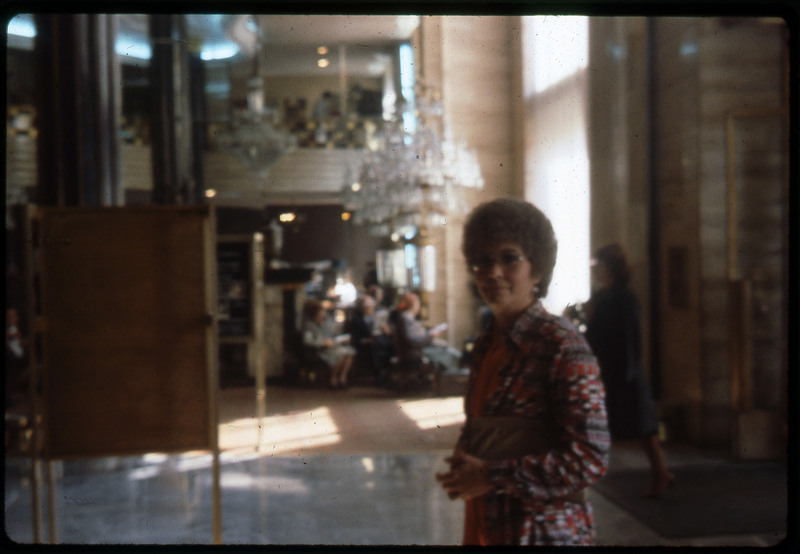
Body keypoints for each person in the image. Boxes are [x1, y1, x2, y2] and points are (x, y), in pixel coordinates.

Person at [435, 198, 609, 546]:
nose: (493, 272)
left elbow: (590, 458)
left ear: (538, 268)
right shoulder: (488, 343)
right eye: (482, 261)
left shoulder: (561, 345)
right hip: (489, 526)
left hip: (542, 533)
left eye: (509, 258)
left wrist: (491, 474)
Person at [583, 243, 674, 498]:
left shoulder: (623, 296)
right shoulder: (605, 295)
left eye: (597, 264)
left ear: (609, 265)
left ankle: (660, 474)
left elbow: (629, 335)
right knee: (637, 426)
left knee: (644, 427)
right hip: (610, 368)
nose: (595, 270)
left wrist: (628, 370)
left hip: (623, 370)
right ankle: (660, 472)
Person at [302, 299, 356, 389]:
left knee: (349, 353)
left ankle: (342, 378)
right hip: (321, 350)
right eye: (321, 311)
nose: (323, 314)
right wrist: (322, 343)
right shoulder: (309, 325)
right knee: (340, 355)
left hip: (333, 346)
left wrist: (341, 339)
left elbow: (334, 335)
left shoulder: (326, 322)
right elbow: (308, 341)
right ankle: (333, 378)